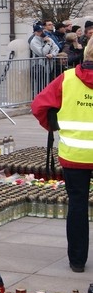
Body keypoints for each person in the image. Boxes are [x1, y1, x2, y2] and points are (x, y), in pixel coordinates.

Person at [32, 37, 93, 273]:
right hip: (75, 155)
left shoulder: (66, 79)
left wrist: (53, 124)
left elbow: (39, 105)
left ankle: (77, 261)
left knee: (77, 206)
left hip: (74, 155)